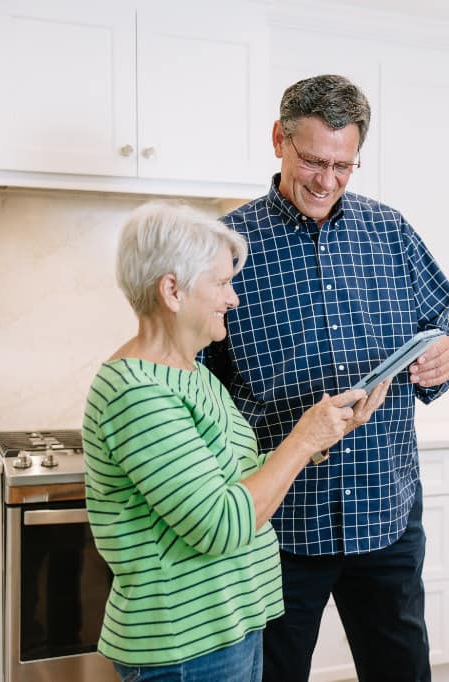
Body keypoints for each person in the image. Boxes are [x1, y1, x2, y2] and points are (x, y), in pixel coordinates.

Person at [202, 74, 449, 682]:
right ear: (279, 139)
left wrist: (446, 356)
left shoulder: (391, 232)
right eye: (313, 161)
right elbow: (197, 374)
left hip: (386, 513)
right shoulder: (227, 245)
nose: (327, 181)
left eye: (344, 166)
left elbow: (443, 333)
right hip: (279, 523)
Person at [82, 201, 389, 682]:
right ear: (173, 291)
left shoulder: (191, 372)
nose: (234, 299)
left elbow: (238, 477)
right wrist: (301, 439)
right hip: (186, 644)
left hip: (231, 623)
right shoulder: (136, 393)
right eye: (222, 283)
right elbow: (220, 524)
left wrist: (323, 437)